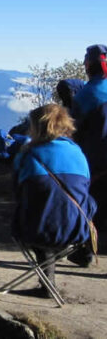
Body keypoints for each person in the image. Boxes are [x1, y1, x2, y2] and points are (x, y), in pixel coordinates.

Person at [12, 104, 97, 296]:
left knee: (38, 211)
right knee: (83, 202)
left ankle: (47, 285)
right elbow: (84, 189)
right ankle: (83, 251)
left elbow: (17, 192)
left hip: (38, 230)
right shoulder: (77, 152)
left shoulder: (27, 155)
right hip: (78, 230)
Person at [71, 44, 107, 232]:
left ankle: (85, 249)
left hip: (96, 160)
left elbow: (74, 131)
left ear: (88, 65)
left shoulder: (86, 95)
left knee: (92, 204)